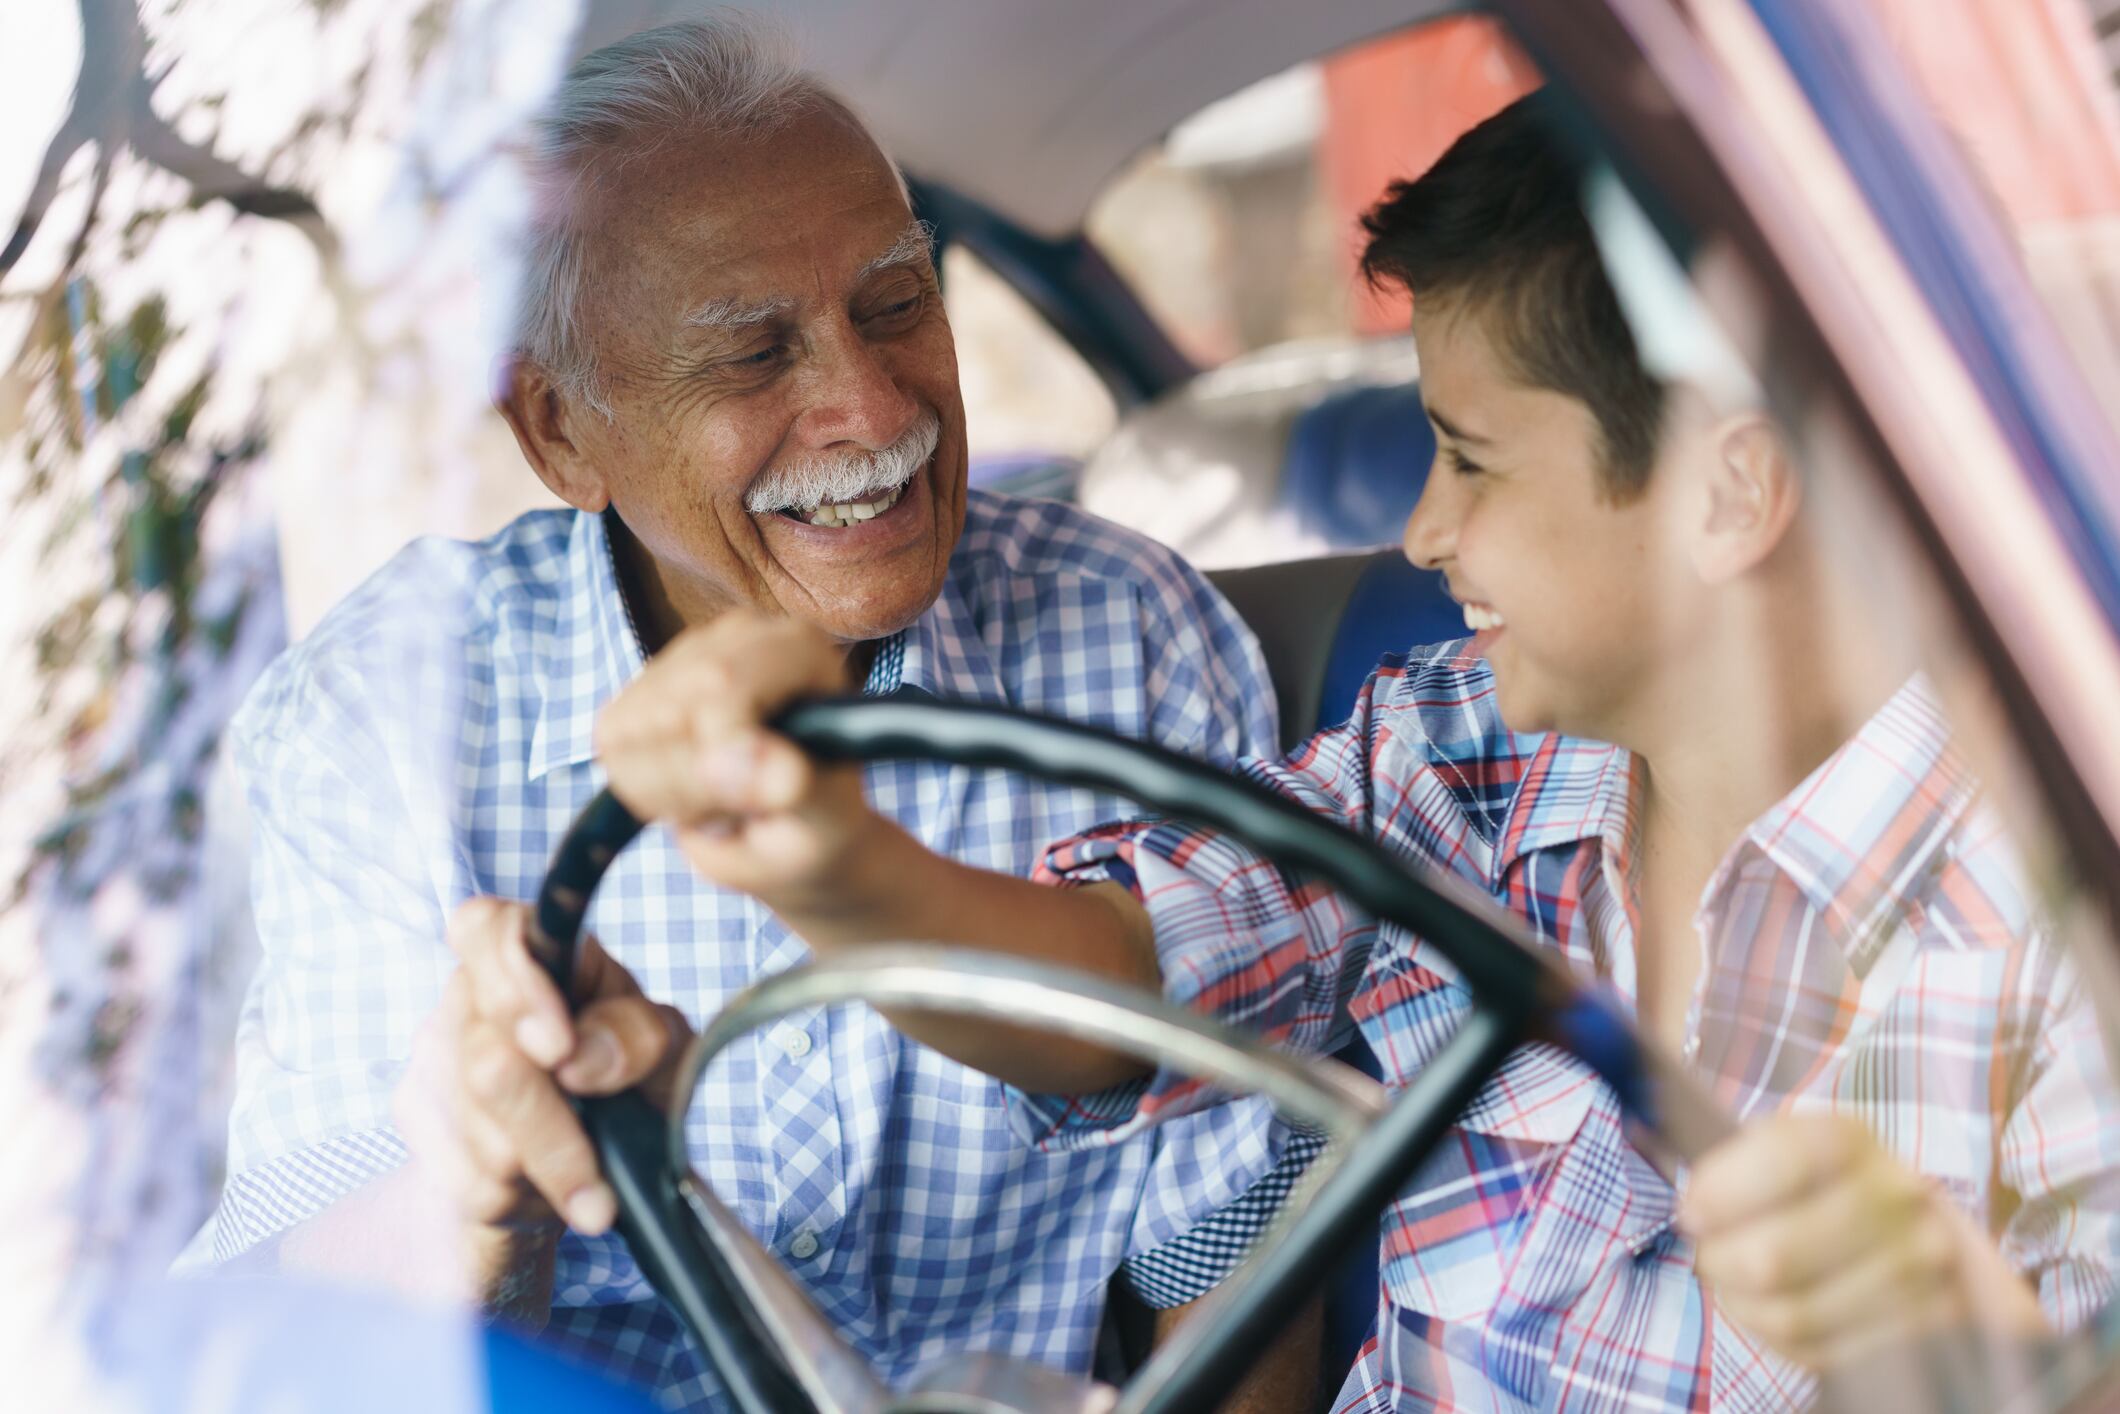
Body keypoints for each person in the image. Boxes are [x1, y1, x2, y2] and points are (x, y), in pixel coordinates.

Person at [579, 93, 2120, 1410]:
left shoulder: (2057, 910)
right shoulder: (1445, 758)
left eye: (1469, 457)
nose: (1421, 529)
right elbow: (1114, 983)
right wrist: (836, 863)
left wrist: (1982, 1352)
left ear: (1730, 491)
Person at [196, 17, 1318, 1409]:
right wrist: (476, 1191)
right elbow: (302, 1333)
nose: (867, 402)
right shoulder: (390, 712)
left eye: (896, 302)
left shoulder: (1132, 633)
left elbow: (1240, 1237)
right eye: (752, 355)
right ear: (560, 435)